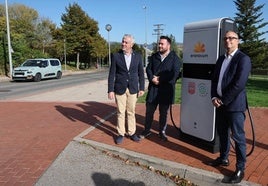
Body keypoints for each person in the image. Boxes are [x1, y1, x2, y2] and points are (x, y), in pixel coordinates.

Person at [209, 31, 251, 184]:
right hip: (220, 104)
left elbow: (239, 84)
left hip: (234, 106)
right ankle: (223, 157)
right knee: (222, 133)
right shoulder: (221, 59)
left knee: (238, 137)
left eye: (231, 38)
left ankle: (240, 168)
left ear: (237, 41)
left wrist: (223, 100)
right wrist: (214, 97)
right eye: (225, 38)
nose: (228, 41)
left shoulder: (243, 59)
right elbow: (214, 80)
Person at [139, 35, 181, 141]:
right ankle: (147, 130)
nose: (159, 45)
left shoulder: (175, 58)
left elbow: (175, 74)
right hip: (153, 89)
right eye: (159, 43)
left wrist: (160, 79)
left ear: (168, 45)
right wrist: (152, 78)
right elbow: (148, 69)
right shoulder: (154, 56)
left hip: (166, 91)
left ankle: (162, 132)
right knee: (149, 112)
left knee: (163, 113)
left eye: (162, 44)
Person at [108, 34, 145, 144]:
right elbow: (112, 74)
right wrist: (110, 90)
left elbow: (141, 74)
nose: (123, 44)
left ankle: (132, 132)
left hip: (133, 88)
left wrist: (142, 87)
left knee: (131, 112)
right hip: (119, 88)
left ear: (131, 44)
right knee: (120, 112)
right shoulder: (116, 56)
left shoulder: (138, 56)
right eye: (123, 41)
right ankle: (120, 134)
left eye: (126, 42)